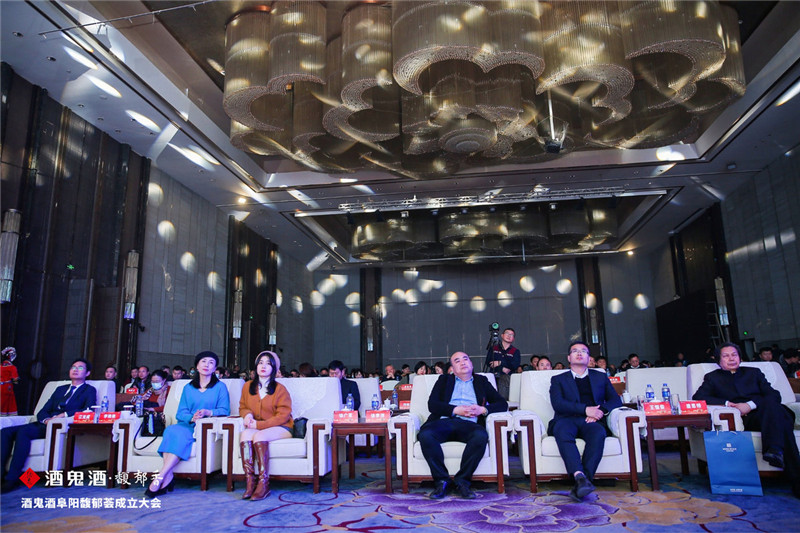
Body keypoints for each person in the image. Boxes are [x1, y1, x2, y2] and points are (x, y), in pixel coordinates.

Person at [693, 342, 800, 498]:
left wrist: (749, 405)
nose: (731, 358)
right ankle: (778, 456)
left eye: (734, 355)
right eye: (726, 356)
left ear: (740, 357)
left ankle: (775, 450)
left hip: (763, 411)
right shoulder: (713, 378)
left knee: (772, 404)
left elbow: (774, 395)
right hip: (751, 419)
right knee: (781, 420)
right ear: (718, 360)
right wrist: (727, 403)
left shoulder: (754, 373)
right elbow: (698, 397)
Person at [418, 352, 508, 499]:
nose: (463, 362)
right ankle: (441, 481)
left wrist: (482, 410)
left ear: (471, 364)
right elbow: (432, 405)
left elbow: (502, 404)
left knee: (480, 436)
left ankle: (463, 481)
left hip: (470, 423)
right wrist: (455, 410)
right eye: (457, 361)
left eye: (465, 359)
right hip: (445, 421)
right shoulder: (444, 380)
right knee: (426, 434)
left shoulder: (481, 381)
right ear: (452, 369)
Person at [2, 358, 96, 493]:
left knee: (23, 432)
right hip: (44, 423)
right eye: (73, 367)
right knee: (5, 431)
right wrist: (46, 419)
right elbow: (43, 410)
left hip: (60, 426)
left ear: (87, 373)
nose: (75, 370)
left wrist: (63, 415)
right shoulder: (60, 389)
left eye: (80, 368)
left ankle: (12, 479)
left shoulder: (89, 390)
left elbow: (88, 409)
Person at [145, 351, 230, 498]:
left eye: (211, 362)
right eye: (203, 361)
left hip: (204, 427)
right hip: (187, 424)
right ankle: (167, 477)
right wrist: (192, 417)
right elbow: (180, 413)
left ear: (215, 368)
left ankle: (160, 477)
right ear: (197, 366)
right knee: (171, 430)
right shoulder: (188, 388)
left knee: (179, 435)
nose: (207, 365)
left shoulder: (220, 387)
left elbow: (225, 410)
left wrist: (208, 412)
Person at [549, 341, 622, 501]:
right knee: (562, 431)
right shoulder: (558, 379)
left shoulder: (600, 376)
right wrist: (585, 410)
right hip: (567, 419)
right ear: (569, 358)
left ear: (589, 358)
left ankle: (582, 480)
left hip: (592, 420)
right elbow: (558, 404)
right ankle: (580, 476)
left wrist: (600, 412)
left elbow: (616, 400)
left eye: (583, 351)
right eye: (575, 351)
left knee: (598, 433)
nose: (579, 353)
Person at [239, 351, 293, 500]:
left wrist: (259, 424)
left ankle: (264, 483)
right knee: (245, 434)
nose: (263, 366)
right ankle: (250, 482)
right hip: (258, 426)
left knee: (259, 435)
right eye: (261, 363)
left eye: (268, 364)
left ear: (274, 368)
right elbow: (243, 407)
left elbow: (283, 415)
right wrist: (247, 415)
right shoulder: (247, 386)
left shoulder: (280, 389)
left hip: (282, 426)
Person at [485, 327, 520, 400]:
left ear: (513, 339)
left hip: (506, 379)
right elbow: (488, 362)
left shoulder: (515, 351)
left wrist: (500, 362)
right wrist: (502, 368)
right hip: (493, 375)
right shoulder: (494, 348)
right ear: (502, 335)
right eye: (507, 333)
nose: (509, 336)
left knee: (503, 393)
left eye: (511, 335)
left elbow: (514, 365)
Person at [1, 347, 20, 416]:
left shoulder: (1, 366)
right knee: (8, 403)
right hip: (7, 388)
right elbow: (15, 379)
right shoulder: (12, 367)